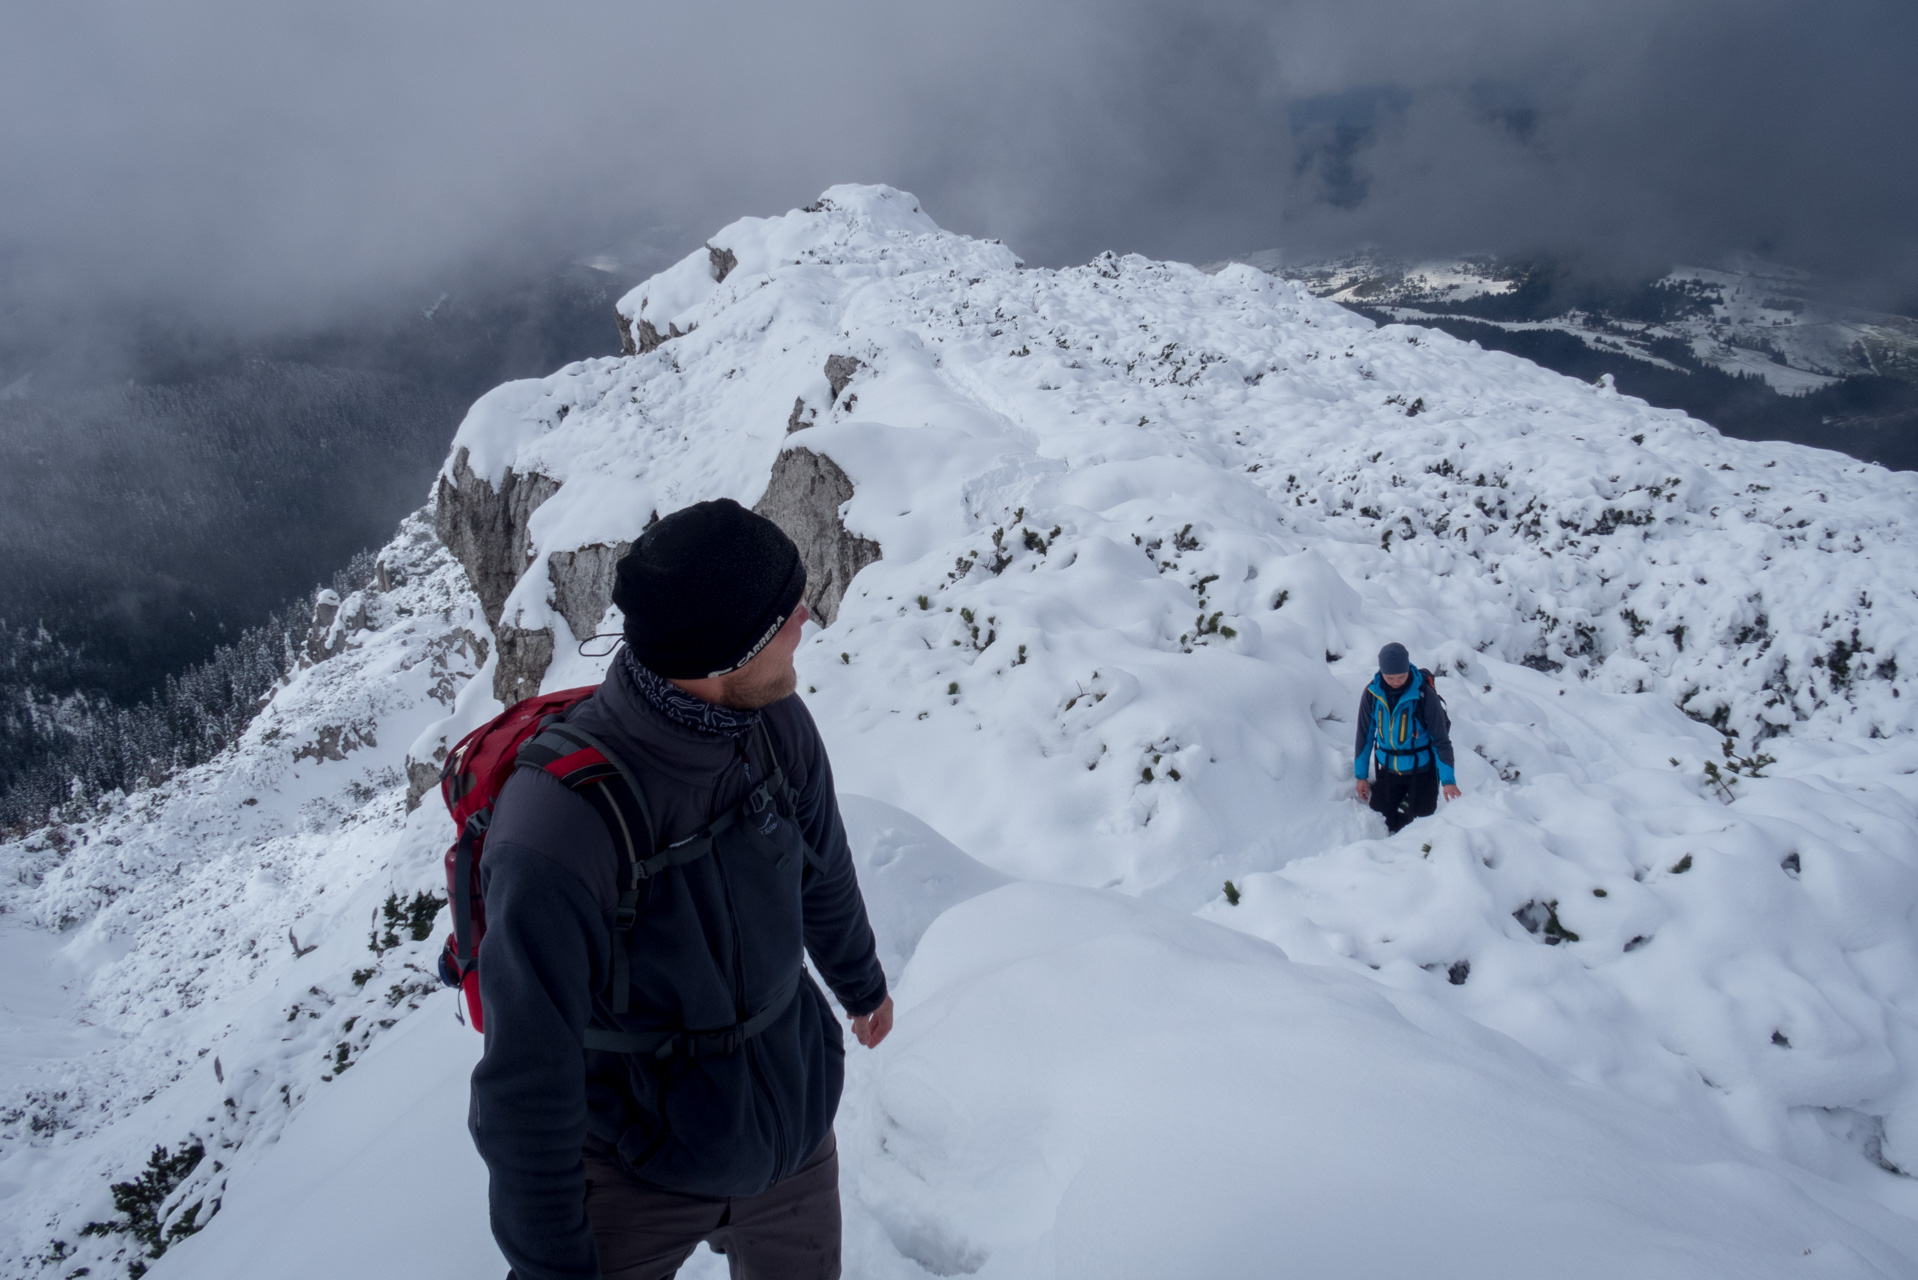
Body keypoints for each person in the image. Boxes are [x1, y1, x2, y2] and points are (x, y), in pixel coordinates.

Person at [469, 498, 892, 1280]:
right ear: (722, 656)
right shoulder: (559, 825)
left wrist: (861, 983)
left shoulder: (776, 725)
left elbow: (821, 866)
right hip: (633, 1171)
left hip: (789, 1135)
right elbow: (527, 1086)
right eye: (784, 614)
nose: (809, 616)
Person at [1354, 642, 1461, 834]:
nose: (1395, 681)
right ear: (1381, 672)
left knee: (1421, 825)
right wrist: (1361, 776)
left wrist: (1448, 780)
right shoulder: (1372, 694)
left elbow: (1440, 740)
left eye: (1401, 676)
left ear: (1407, 669)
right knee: (1381, 820)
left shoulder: (1424, 695)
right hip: (1387, 771)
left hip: (1422, 772)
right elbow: (1364, 735)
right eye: (1390, 677)